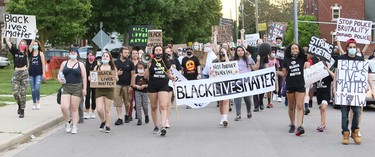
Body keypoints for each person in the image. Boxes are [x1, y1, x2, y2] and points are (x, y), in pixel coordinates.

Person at [333, 38, 374, 145]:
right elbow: (336, 75)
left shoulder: (360, 59)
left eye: (354, 47)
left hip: (356, 92)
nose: (352, 49)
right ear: (346, 48)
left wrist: (372, 88)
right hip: (343, 91)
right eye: (350, 47)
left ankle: (355, 132)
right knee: (344, 114)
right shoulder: (341, 59)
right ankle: (345, 133)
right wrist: (334, 88)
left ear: (356, 48)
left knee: (357, 111)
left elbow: (367, 75)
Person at [277, 43, 307, 136]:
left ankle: (300, 126)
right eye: (292, 48)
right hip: (290, 85)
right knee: (291, 106)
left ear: (299, 50)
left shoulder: (302, 58)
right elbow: (284, 74)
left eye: (296, 48)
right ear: (290, 50)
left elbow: (311, 56)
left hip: (300, 85)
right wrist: (275, 72)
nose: (294, 50)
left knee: (300, 106)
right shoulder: (286, 60)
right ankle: (292, 124)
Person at [144, 45, 175, 136]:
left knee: (163, 105)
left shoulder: (165, 62)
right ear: (154, 52)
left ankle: (163, 126)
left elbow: (169, 74)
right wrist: (148, 66)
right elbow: (146, 77)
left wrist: (172, 77)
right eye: (156, 50)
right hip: (153, 85)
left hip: (163, 85)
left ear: (162, 52)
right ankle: (155, 126)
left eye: (160, 50)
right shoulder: (150, 61)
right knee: (154, 107)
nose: (158, 51)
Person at [57, 48, 87, 134]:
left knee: (74, 108)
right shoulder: (64, 63)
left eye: (74, 52)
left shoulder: (80, 64)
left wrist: (84, 88)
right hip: (66, 87)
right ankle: (68, 121)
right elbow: (60, 74)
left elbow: (84, 77)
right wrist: (59, 79)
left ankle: (75, 126)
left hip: (77, 87)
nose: (72, 53)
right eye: (71, 52)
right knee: (64, 107)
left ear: (77, 54)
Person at [232, 46, 260, 121]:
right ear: (236, 52)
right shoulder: (233, 60)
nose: (240, 52)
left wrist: (258, 61)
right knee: (237, 99)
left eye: (241, 50)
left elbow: (255, 68)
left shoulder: (248, 59)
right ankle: (238, 114)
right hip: (237, 82)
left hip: (246, 82)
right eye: (238, 50)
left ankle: (248, 111)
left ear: (244, 51)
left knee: (247, 99)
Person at [93, 51, 118, 133]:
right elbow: (93, 78)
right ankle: (103, 120)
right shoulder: (97, 67)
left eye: (107, 56)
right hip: (99, 89)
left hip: (109, 90)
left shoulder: (113, 68)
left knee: (107, 109)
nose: (105, 57)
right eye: (104, 56)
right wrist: (91, 78)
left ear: (110, 58)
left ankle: (107, 125)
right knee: (99, 109)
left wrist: (116, 78)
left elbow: (116, 78)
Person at [5, 38, 29, 118]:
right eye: (21, 44)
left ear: (26, 46)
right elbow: (8, 42)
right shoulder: (15, 52)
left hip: (24, 74)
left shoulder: (27, 53)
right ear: (19, 45)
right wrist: (6, 36)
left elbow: (32, 43)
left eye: (24, 44)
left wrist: (35, 34)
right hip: (16, 73)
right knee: (15, 93)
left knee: (23, 93)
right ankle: (19, 104)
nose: (22, 45)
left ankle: (22, 110)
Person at [210, 47, 231, 127]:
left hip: (227, 83)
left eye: (224, 52)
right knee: (221, 101)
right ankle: (222, 116)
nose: (222, 53)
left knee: (226, 100)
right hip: (218, 83)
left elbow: (229, 65)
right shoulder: (214, 61)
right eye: (221, 52)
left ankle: (225, 118)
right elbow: (211, 71)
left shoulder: (229, 59)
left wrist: (225, 55)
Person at [113, 47, 135, 125]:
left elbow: (133, 75)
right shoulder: (115, 62)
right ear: (121, 53)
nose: (127, 54)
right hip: (117, 85)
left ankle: (127, 114)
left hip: (127, 85)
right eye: (125, 52)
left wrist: (131, 86)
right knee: (117, 101)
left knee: (127, 102)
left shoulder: (130, 63)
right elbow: (112, 73)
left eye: (127, 52)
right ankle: (119, 117)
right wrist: (117, 74)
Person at [165, 46, 182, 128]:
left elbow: (180, 70)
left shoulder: (174, 60)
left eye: (170, 51)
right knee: (162, 104)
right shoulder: (160, 61)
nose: (168, 52)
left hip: (170, 83)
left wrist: (176, 72)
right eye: (167, 51)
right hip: (161, 82)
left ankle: (166, 120)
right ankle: (163, 117)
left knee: (168, 102)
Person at [315, 61, 335, 132]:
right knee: (322, 109)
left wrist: (327, 70)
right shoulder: (317, 75)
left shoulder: (327, 75)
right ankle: (323, 123)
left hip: (326, 95)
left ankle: (322, 125)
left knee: (323, 108)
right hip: (319, 94)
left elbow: (334, 76)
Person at [28, 39, 46, 110]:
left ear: (38, 46)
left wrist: (44, 73)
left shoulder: (40, 53)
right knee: (32, 89)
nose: (35, 46)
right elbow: (29, 48)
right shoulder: (30, 53)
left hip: (38, 73)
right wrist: (33, 39)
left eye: (36, 45)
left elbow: (43, 64)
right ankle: (34, 103)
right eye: (33, 45)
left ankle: (38, 101)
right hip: (31, 74)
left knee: (37, 88)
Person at [84, 51, 97, 119]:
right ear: (87, 56)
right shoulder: (85, 63)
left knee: (94, 97)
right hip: (87, 82)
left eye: (92, 55)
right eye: (89, 55)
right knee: (87, 97)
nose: (91, 56)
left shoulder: (97, 63)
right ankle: (87, 111)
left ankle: (93, 111)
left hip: (94, 82)